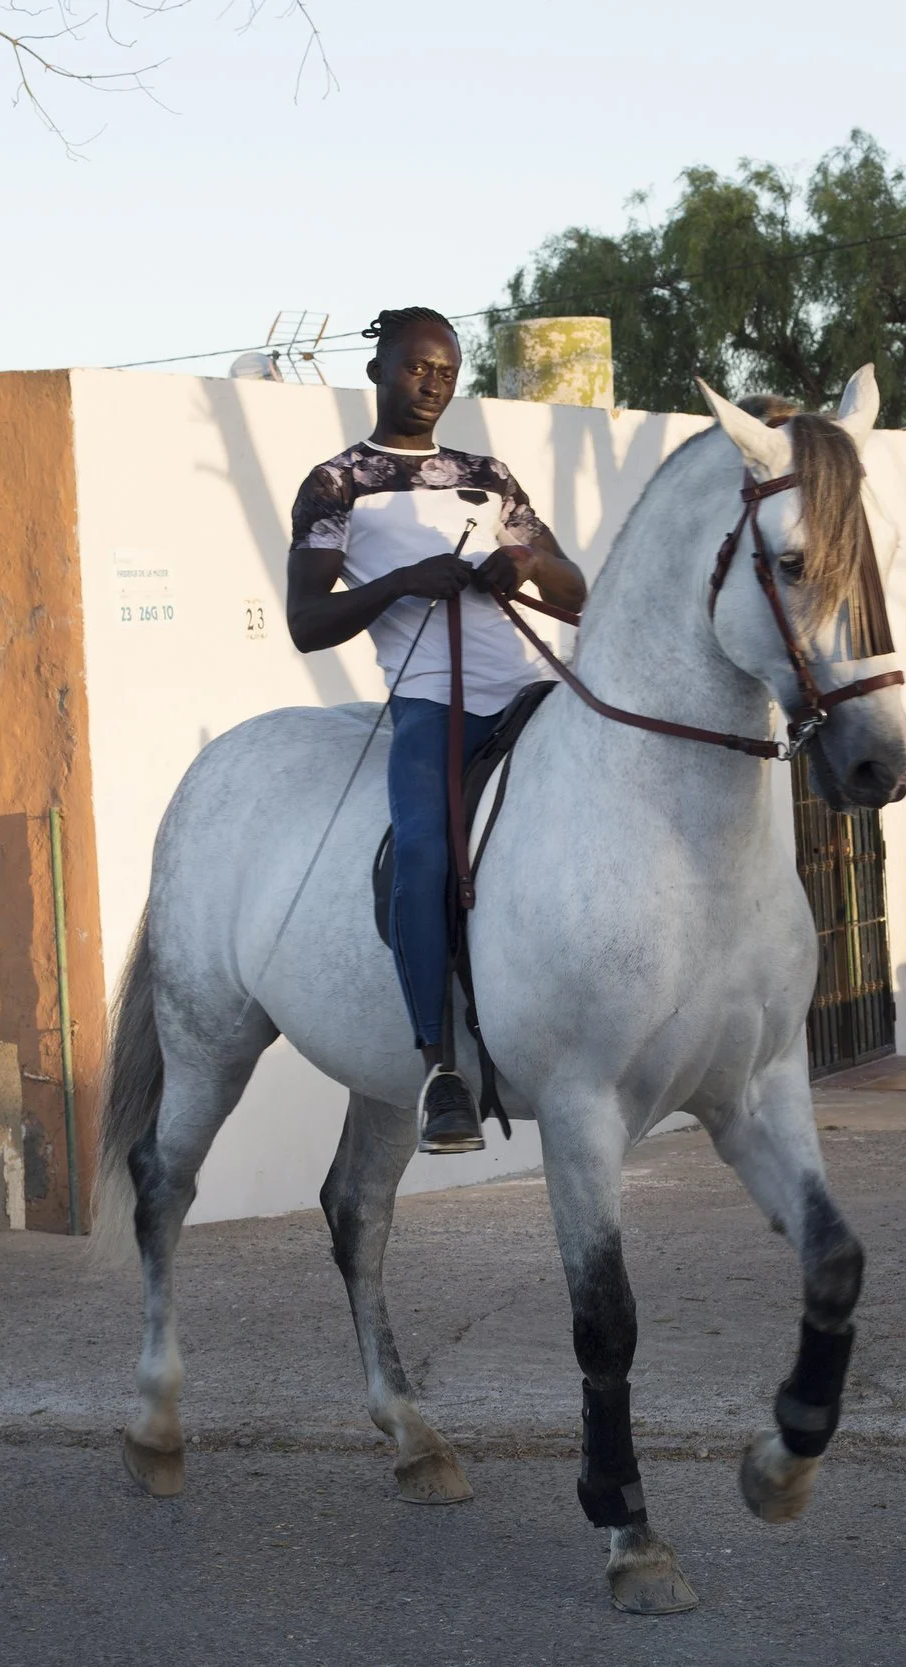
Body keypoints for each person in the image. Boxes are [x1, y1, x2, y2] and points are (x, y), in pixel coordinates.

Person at [285, 306, 588, 1154]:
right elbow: (308, 621)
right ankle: (440, 1071)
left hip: (528, 696)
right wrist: (405, 580)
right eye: (417, 367)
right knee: (420, 855)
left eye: (447, 372)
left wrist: (524, 561)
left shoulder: (487, 475)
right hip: (429, 705)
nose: (433, 384)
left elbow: (575, 591)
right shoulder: (337, 482)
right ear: (379, 369)